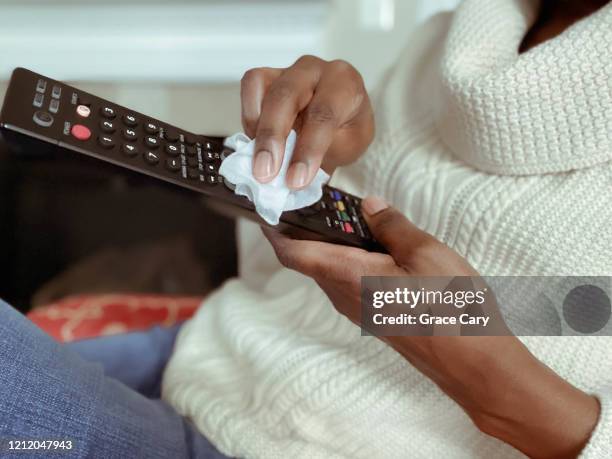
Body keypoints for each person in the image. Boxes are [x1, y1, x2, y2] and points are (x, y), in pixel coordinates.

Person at [162, 0, 612, 458]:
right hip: (222, 356)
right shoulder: (446, 37)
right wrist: (322, 171)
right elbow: (287, 272)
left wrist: (487, 382)